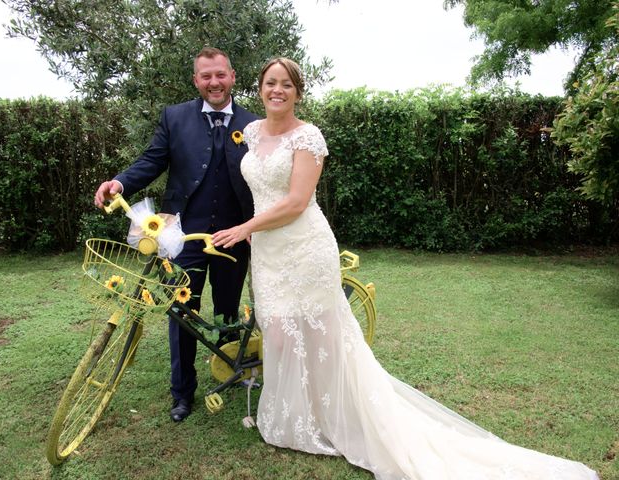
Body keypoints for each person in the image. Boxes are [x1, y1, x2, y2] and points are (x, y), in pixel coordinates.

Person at [211, 58, 599, 480]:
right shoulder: (250, 132)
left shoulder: (308, 137)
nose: (277, 90)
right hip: (268, 250)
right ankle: (292, 418)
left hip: (303, 247)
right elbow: (263, 191)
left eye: (286, 84)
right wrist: (253, 229)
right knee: (282, 333)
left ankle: (334, 419)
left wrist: (246, 226)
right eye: (271, 83)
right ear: (260, 88)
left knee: (324, 338)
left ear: (298, 92)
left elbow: (296, 201)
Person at [94, 47, 258, 423]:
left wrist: (257, 224)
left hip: (234, 236)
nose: (213, 82)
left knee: (229, 309)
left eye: (220, 74)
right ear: (196, 80)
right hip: (182, 235)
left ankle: (227, 369)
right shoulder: (175, 117)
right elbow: (151, 161)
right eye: (206, 76)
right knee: (182, 311)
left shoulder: (254, 125)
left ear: (232, 76)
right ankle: (182, 392)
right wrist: (120, 182)